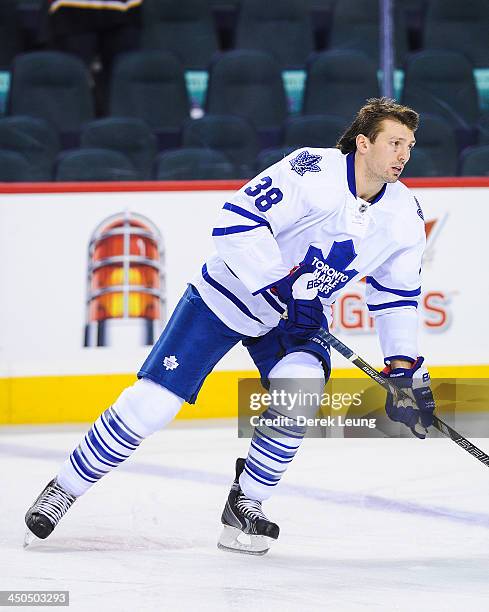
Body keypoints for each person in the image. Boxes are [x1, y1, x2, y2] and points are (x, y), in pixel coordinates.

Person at [24, 97, 436, 555]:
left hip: (297, 315)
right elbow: (236, 222)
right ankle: (63, 488)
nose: (404, 155)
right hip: (229, 293)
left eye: (410, 146)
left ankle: (246, 506)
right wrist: (276, 284)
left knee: (298, 394)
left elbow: (396, 296)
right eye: (395, 143)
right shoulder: (309, 171)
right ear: (363, 143)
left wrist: (401, 365)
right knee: (153, 404)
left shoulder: (403, 216)